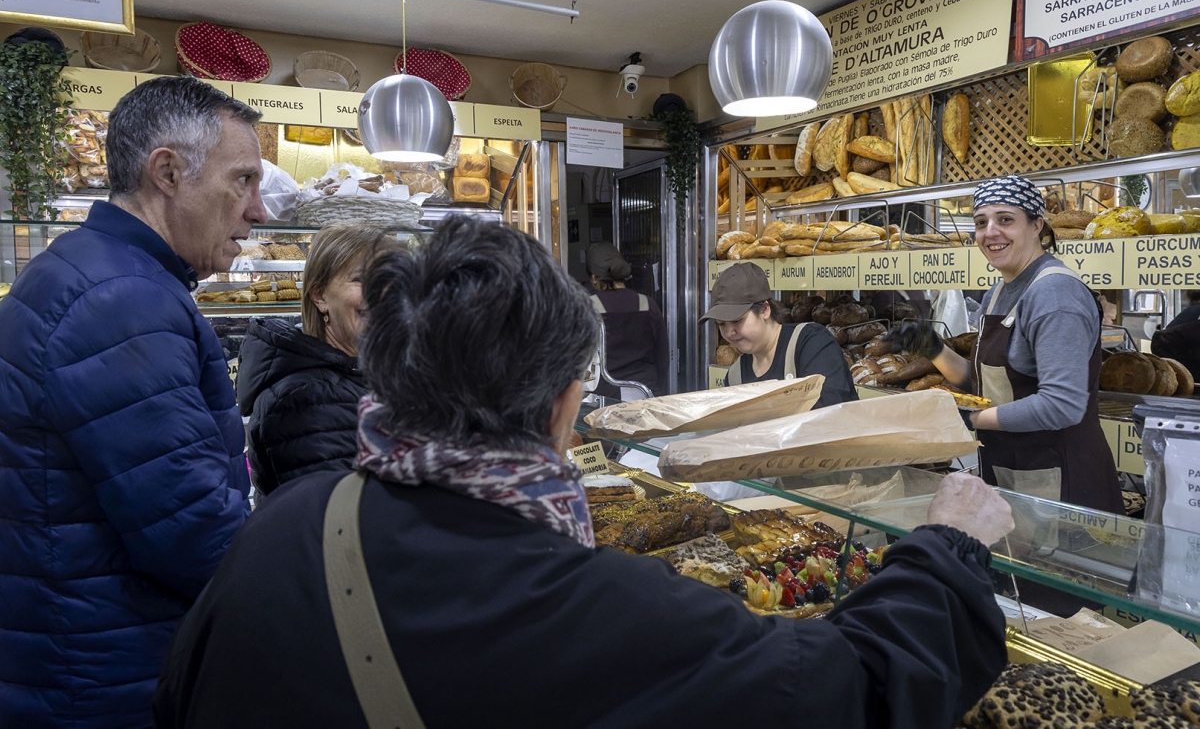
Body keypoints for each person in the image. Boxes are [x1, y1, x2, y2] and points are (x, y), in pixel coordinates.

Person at [154, 216, 1014, 729]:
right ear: (568, 403)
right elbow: (850, 687)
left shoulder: (284, 528)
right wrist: (946, 551)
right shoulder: (604, 610)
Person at [0, 77, 265, 727]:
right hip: (107, 680)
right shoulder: (121, 300)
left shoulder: (95, 270)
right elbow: (190, 526)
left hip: (77, 658)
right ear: (168, 172)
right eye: (242, 181)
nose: (258, 210)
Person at [882, 175, 1123, 514]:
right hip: (1014, 472)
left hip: (1062, 484)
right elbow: (988, 384)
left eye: (1005, 219)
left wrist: (971, 420)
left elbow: (1062, 405)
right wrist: (932, 348)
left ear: (1037, 225)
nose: (990, 232)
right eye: (981, 222)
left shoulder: (1054, 293)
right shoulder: (1000, 291)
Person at [237, 223, 401, 497]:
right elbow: (353, 520)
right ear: (319, 295)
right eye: (361, 279)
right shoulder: (305, 401)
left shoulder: (358, 374)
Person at [703, 262, 857, 409]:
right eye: (721, 324)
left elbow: (831, 415)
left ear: (764, 310)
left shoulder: (811, 344)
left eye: (736, 320)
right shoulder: (736, 376)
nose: (729, 332)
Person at [586, 241, 669, 399]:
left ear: (594, 277)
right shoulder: (647, 303)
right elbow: (662, 357)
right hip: (645, 392)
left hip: (605, 397)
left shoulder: (588, 307)